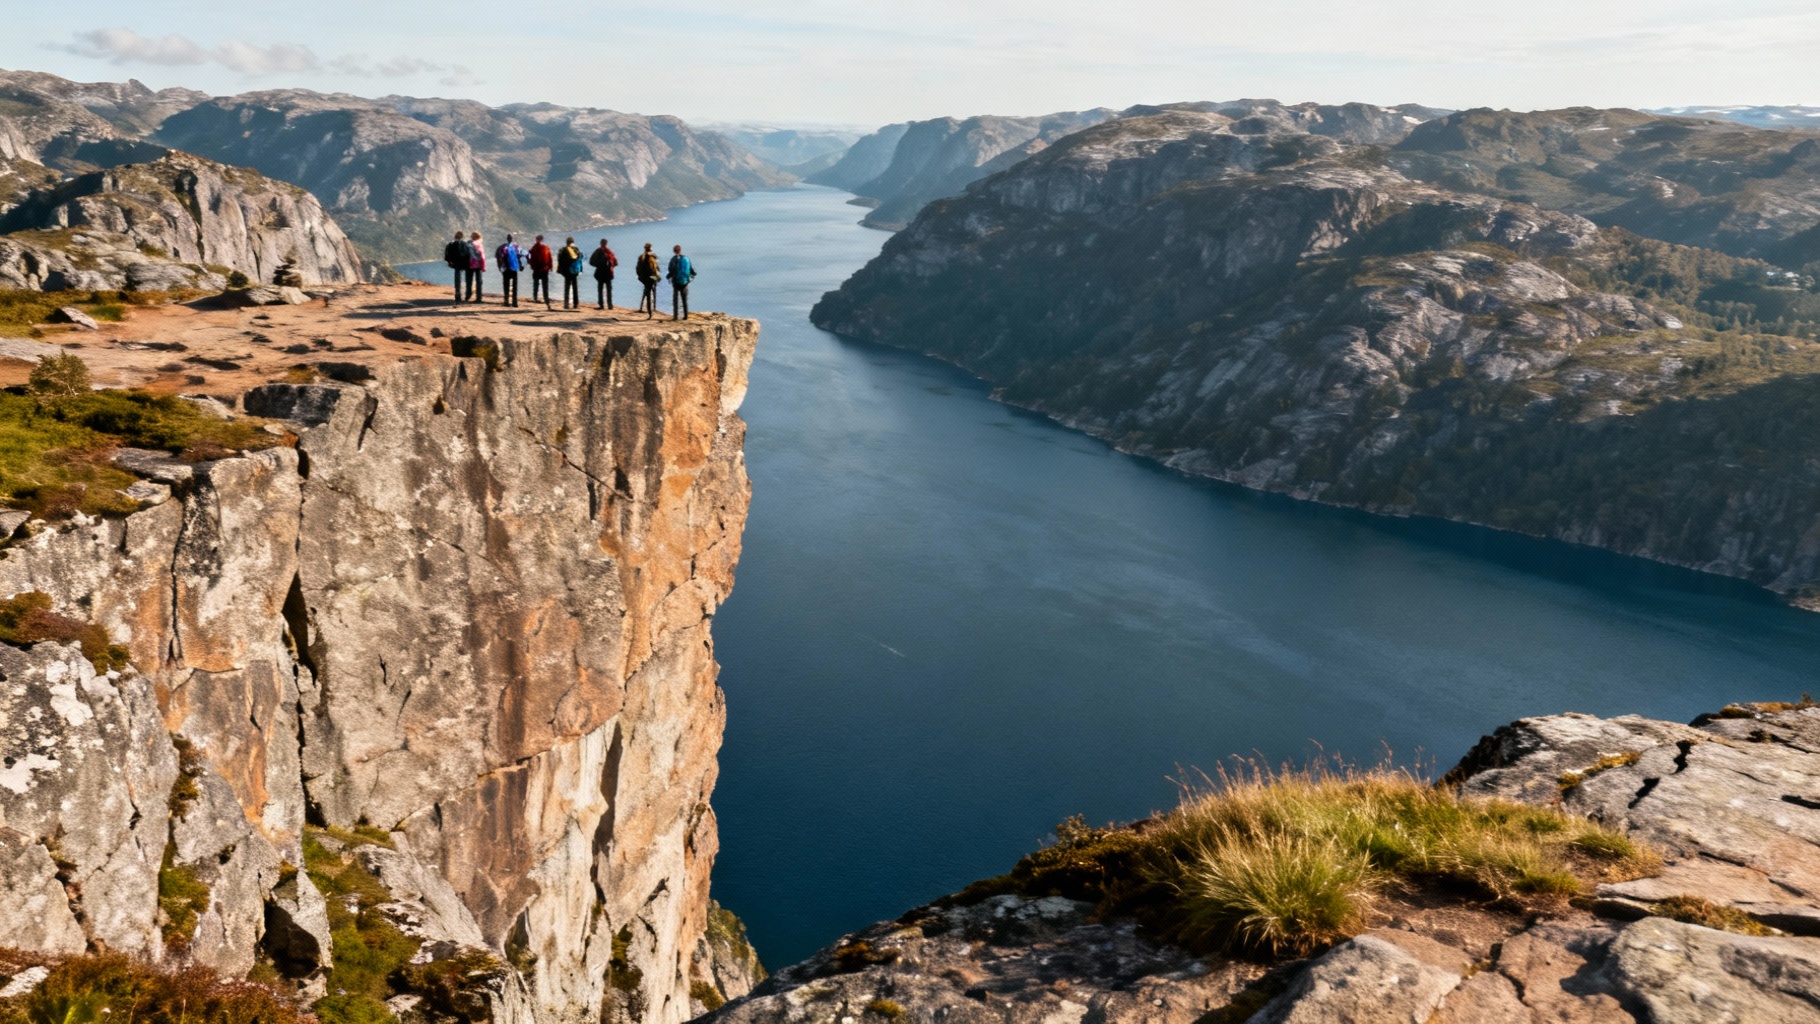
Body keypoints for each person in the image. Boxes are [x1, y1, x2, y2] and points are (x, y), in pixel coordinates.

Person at [666, 244, 696, 320]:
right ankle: (685, 316)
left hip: (676, 282)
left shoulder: (673, 259)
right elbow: (691, 269)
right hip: (685, 282)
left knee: (675, 299)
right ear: (680, 250)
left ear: (674, 251)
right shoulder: (686, 258)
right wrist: (693, 274)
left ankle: (675, 316)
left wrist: (668, 276)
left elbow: (671, 269)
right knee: (684, 299)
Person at [495, 234, 525, 307]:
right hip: (514, 269)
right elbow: (520, 256)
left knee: (506, 285)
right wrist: (521, 265)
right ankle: (515, 302)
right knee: (515, 286)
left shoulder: (502, 247)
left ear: (507, 239)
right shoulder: (516, 247)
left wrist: (500, 268)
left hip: (506, 269)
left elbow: (498, 257)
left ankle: (506, 301)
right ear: (512, 239)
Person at [589, 239, 618, 311]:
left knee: (600, 289)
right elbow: (615, 263)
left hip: (600, 273)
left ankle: (601, 305)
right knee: (609, 290)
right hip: (608, 273)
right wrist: (611, 267)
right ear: (606, 244)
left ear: (600, 243)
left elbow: (591, 261)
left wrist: (597, 265)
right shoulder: (609, 252)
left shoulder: (597, 251)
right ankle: (610, 305)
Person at [635, 243, 661, 318]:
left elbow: (637, 269)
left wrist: (640, 276)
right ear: (651, 248)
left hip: (644, 278)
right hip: (652, 278)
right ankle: (652, 310)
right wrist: (657, 277)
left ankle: (648, 310)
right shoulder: (653, 256)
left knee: (647, 293)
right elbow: (657, 268)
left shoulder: (641, 257)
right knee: (651, 292)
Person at [557, 236, 584, 309]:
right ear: (573, 242)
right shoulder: (576, 249)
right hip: (575, 271)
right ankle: (576, 304)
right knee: (575, 287)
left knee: (567, 287)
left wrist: (560, 270)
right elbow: (580, 260)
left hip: (567, 271)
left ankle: (566, 304)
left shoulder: (563, 249)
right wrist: (580, 270)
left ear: (567, 242)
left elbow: (560, 260)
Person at [528, 235, 554, 307]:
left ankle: (535, 297)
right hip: (544, 269)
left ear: (536, 239)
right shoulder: (546, 248)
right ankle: (546, 298)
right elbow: (550, 258)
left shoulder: (533, 248)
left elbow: (530, 258)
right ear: (542, 239)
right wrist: (550, 266)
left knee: (536, 284)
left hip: (536, 269)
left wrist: (531, 266)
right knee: (545, 285)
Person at [444, 231, 469, 302]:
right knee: (467, 278)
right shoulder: (465, 243)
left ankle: (458, 294)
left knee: (457, 278)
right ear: (462, 236)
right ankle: (467, 294)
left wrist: (449, 261)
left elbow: (447, 254)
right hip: (464, 263)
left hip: (456, 263)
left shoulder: (451, 243)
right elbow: (468, 253)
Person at [466, 231, 486, 302]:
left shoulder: (468, 243)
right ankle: (478, 297)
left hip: (469, 264)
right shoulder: (479, 244)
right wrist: (483, 267)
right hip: (478, 265)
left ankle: (468, 295)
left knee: (469, 280)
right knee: (479, 281)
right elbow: (482, 256)